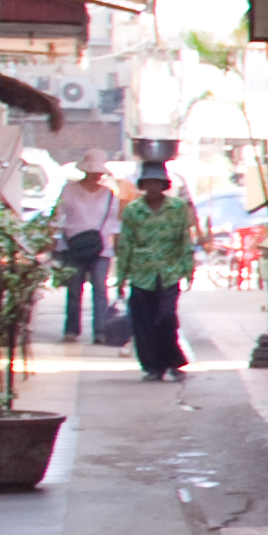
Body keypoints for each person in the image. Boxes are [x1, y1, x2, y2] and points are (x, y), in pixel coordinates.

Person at [115, 162, 201, 385]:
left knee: (166, 317)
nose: (153, 187)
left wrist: (188, 269)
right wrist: (121, 276)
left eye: (157, 182)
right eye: (149, 182)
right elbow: (126, 243)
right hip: (141, 272)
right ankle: (153, 366)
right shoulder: (133, 210)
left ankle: (173, 361)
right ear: (143, 185)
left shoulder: (177, 208)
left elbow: (184, 240)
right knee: (143, 322)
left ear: (164, 185)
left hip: (169, 272)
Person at [54, 165, 118, 342]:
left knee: (100, 289)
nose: (96, 176)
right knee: (74, 289)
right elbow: (58, 216)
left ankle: (101, 332)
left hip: (100, 247)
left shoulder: (109, 194)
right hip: (74, 246)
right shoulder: (69, 190)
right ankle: (72, 329)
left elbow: (113, 222)